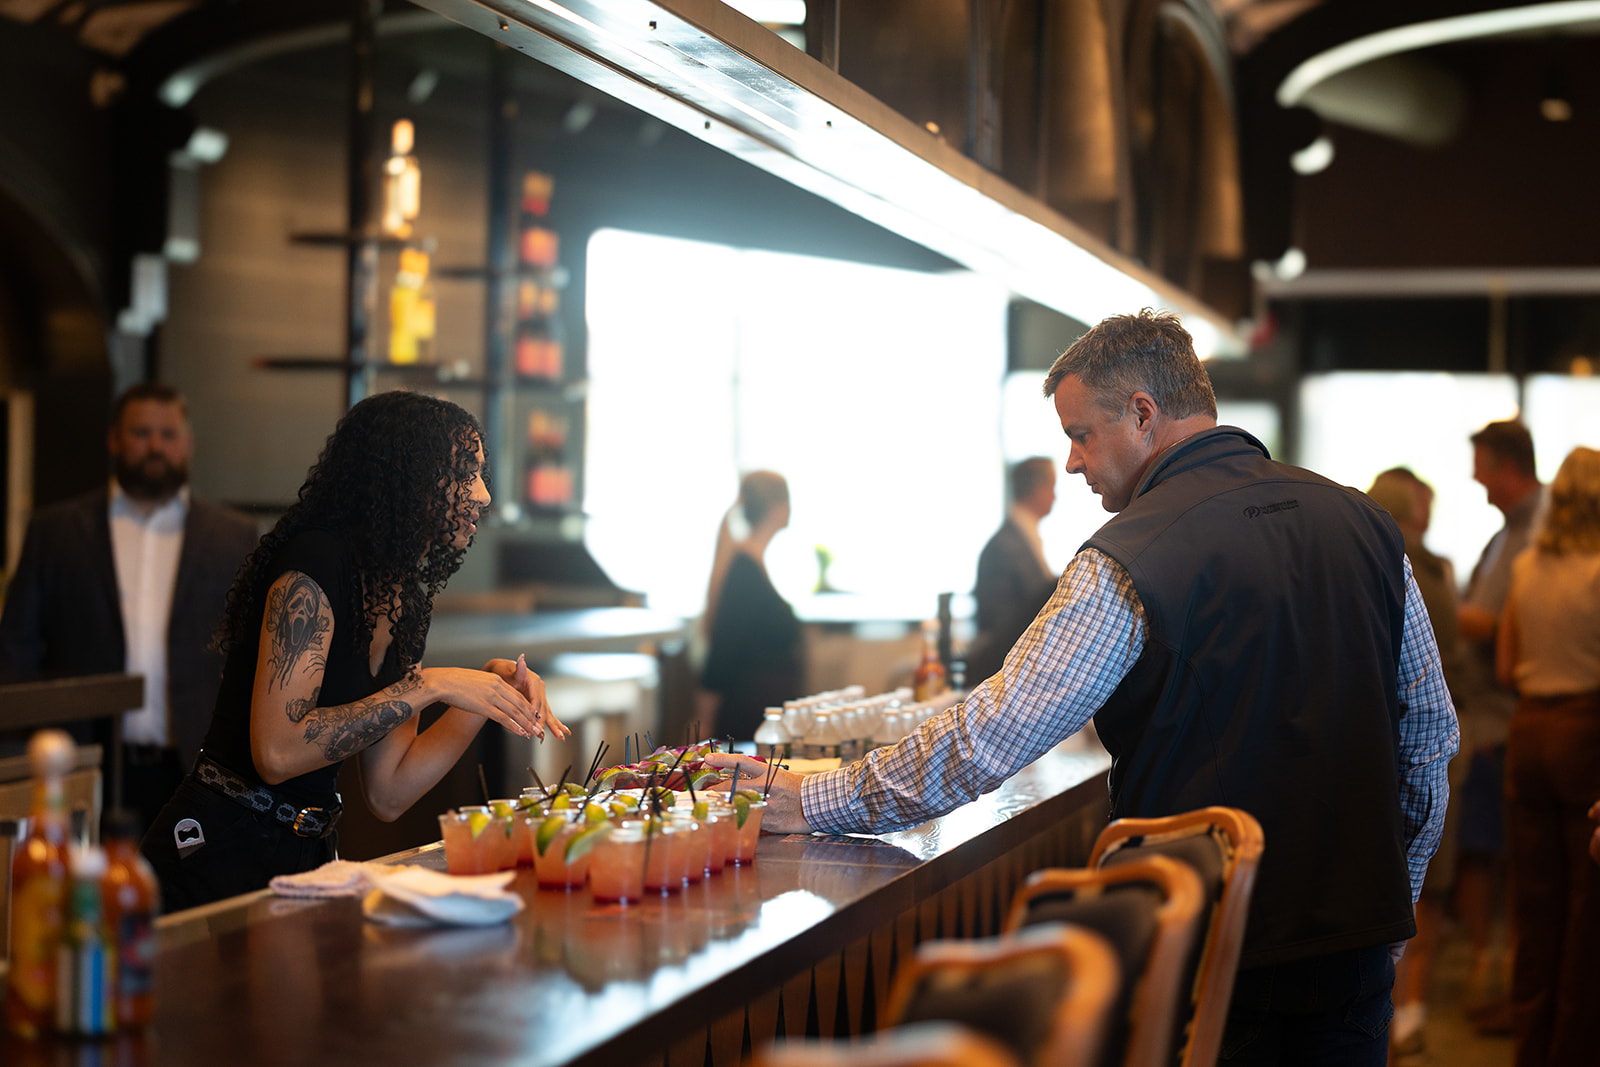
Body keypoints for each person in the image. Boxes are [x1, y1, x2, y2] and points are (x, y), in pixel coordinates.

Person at [710, 309, 1458, 1066]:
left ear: (1143, 413)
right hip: (1356, 950)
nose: (1070, 463)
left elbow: (988, 736)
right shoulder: (1368, 526)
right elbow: (1429, 742)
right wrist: (1394, 910)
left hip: (1215, 952)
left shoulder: (1132, 554)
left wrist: (812, 799)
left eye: (1080, 434)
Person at [138, 391, 569, 909]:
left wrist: (487, 693)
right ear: (410, 477)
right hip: (215, 846)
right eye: (464, 473)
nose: (481, 495)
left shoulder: (399, 594)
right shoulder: (316, 564)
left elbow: (390, 790)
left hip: (304, 850)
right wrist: (430, 685)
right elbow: (276, 753)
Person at [0, 383, 260, 832]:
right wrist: (22, 752)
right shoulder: (55, 531)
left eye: (168, 433)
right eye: (141, 432)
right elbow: (15, 650)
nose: (156, 445)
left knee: (188, 901)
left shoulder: (234, 537)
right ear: (115, 439)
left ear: (188, 444)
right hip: (82, 766)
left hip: (200, 771)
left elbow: (253, 655)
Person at [1494, 446, 1600, 1067]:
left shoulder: (1528, 566)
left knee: (1533, 909)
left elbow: (1508, 665)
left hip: (1528, 735)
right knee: (1588, 916)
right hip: (1586, 736)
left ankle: (1529, 1050)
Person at [1366, 468, 1467, 1056]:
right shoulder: (1428, 572)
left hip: (1389, 749)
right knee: (1423, 884)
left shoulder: (1365, 567)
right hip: (1434, 743)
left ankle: (1400, 1014)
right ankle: (1409, 1014)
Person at [1456, 419, 1544, 1024]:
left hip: (1502, 719)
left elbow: (1502, 624)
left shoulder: (1536, 531)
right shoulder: (1510, 531)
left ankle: (1502, 974)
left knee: (1494, 849)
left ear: (1506, 467)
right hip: (1491, 713)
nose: (1476, 480)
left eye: (1482, 467)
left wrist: (1438, 608)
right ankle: (1497, 972)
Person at [698, 471, 802, 742]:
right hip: (747, 720)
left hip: (759, 716)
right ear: (776, 507)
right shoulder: (744, 570)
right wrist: (705, 722)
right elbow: (722, 650)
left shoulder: (752, 562)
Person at [966, 457, 1059, 684]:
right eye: (1052, 487)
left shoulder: (1023, 537)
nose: (1055, 496)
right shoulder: (1006, 545)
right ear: (1038, 489)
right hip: (1003, 669)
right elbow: (1005, 624)